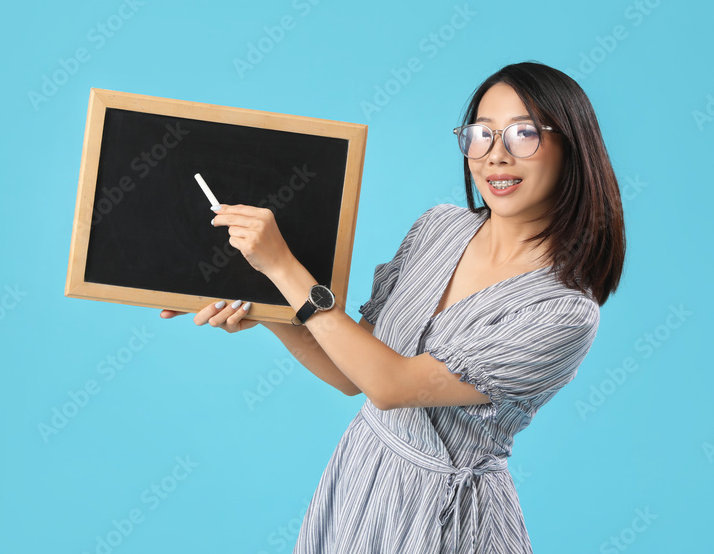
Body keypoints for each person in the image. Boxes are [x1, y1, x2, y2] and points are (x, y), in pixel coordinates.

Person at [160, 61, 625, 553]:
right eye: (481, 134)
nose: (496, 155)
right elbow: (352, 374)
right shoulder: (439, 228)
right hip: (360, 484)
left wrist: (283, 269)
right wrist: (266, 310)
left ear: (571, 146)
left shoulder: (564, 314)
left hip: (448, 522)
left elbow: (392, 385)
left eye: (523, 134)